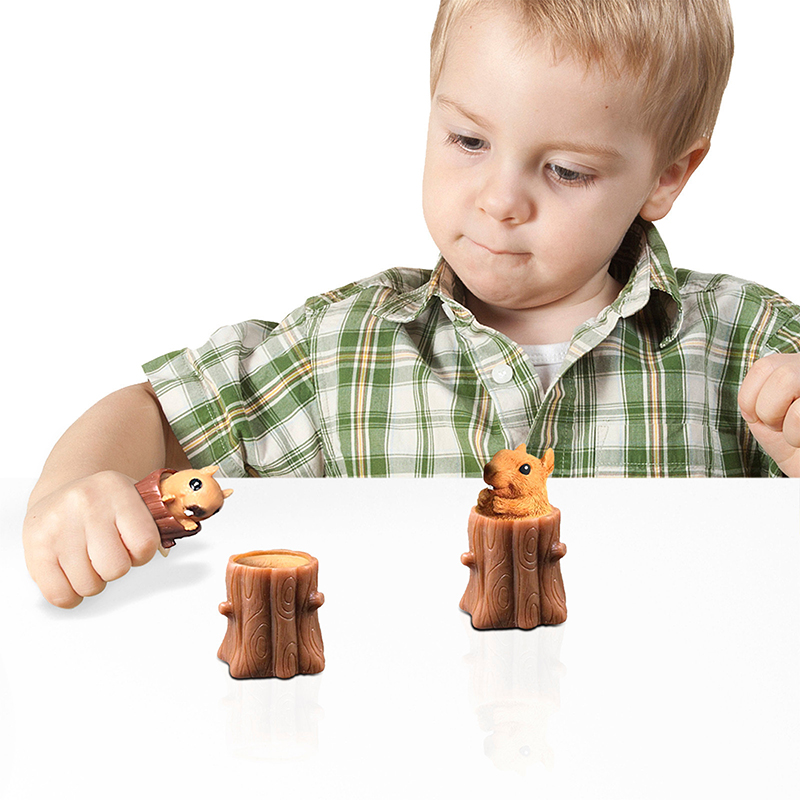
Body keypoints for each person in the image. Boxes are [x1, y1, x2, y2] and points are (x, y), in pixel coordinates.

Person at [22, 0, 800, 608]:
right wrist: (72, 495)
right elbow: (156, 412)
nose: (499, 200)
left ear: (667, 176)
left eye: (565, 170)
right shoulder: (340, 350)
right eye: (469, 141)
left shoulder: (748, 344)